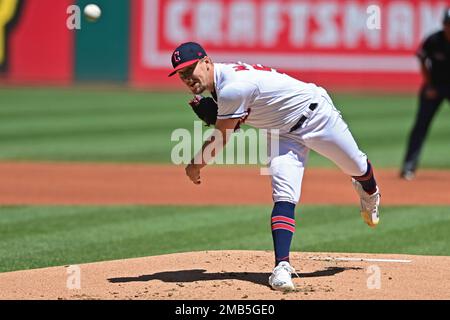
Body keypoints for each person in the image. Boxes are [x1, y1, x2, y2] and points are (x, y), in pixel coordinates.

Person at [169, 42, 381, 292]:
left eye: (190, 68)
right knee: (284, 194)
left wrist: (194, 165)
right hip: (280, 134)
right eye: (181, 73)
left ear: (207, 62)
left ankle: (371, 192)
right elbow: (234, 123)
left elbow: (222, 137)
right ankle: (282, 266)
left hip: (315, 115)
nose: (187, 77)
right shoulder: (222, 85)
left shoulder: (232, 88)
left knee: (357, 166)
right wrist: (220, 118)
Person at [401, 8, 450, 180]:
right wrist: (429, 85)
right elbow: (422, 59)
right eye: (448, 25)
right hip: (434, 86)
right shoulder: (434, 40)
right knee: (421, 125)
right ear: (443, 24)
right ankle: (409, 166)